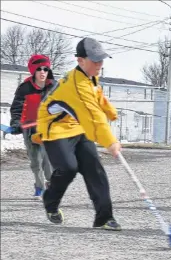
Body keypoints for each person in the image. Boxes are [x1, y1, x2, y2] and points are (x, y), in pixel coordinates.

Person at [33, 37, 122, 230]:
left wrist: (111, 111)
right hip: (54, 128)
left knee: (94, 168)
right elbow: (93, 118)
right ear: (80, 60)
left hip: (78, 126)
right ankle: (50, 200)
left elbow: (97, 96)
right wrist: (110, 142)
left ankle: (104, 217)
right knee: (68, 167)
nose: (99, 64)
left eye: (101, 59)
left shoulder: (89, 76)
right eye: (95, 60)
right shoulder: (76, 85)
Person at [9, 54, 54, 199]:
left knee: (48, 161)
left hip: (49, 131)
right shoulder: (25, 88)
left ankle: (50, 183)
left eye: (45, 69)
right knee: (35, 161)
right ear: (33, 71)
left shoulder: (54, 86)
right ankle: (39, 186)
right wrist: (16, 123)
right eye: (39, 69)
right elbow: (17, 108)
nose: (42, 72)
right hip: (30, 130)